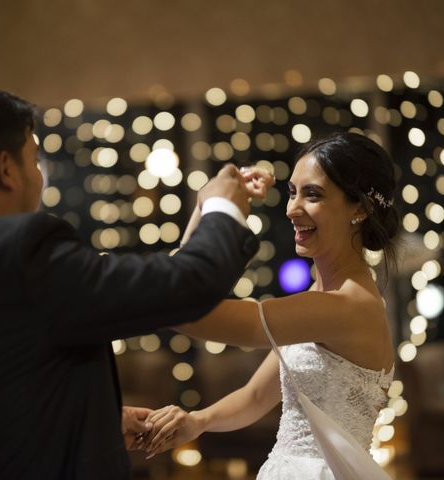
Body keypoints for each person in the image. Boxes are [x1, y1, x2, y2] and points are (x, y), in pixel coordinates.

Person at [0, 81, 274, 479]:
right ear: (7, 169)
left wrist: (92, 420)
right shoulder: (22, 250)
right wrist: (225, 205)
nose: (39, 176)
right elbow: (189, 285)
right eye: (34, 158)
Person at [140, 132, 400, 479]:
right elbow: (255, 396)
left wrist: (215, 206)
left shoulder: (348, 305)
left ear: (360, 208)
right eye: (293, 192)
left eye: (313, 194)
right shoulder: (324, 298)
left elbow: (191, 312)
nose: (292, 209)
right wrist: (197, 421)